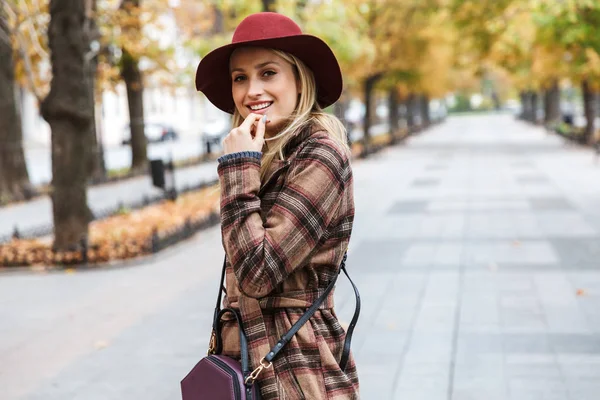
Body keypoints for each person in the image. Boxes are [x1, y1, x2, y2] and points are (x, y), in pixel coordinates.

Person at [195, 12, 359, 399]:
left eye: (268, 73)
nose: (252, 90)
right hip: (251, 357)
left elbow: (258, 272)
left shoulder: (321, 154)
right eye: (240, 77)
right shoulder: (263, 155)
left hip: (297, 368)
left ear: (299, 80)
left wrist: (238, 169)